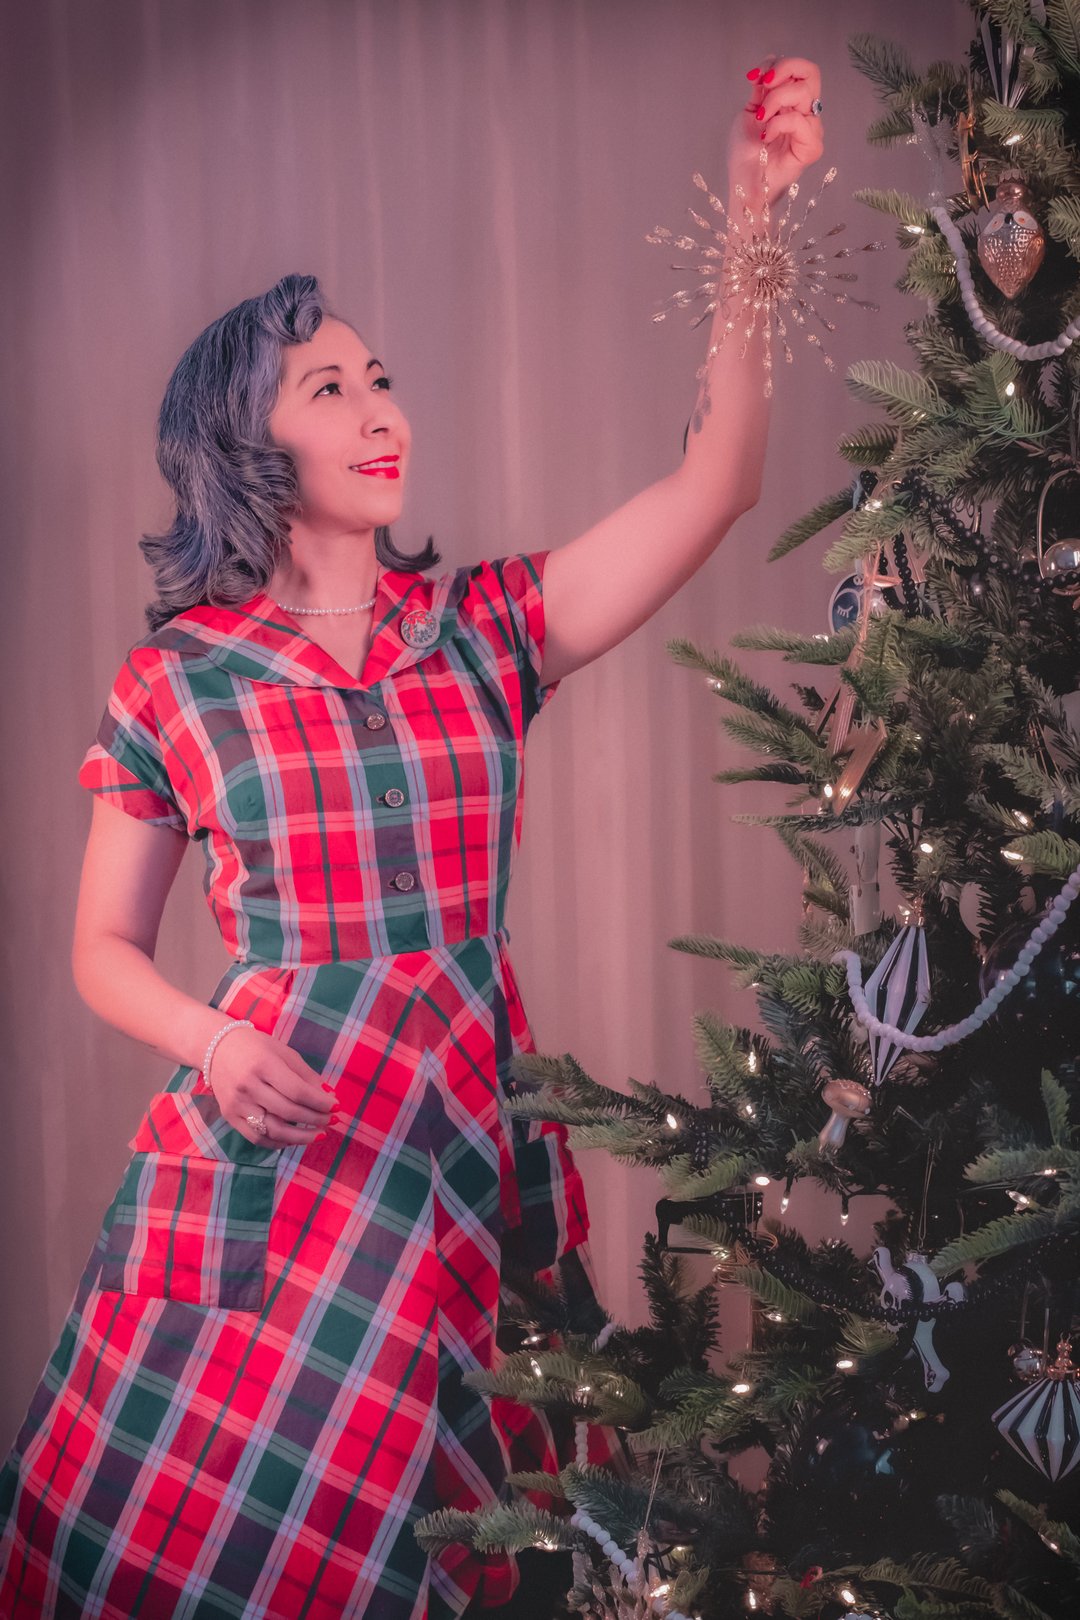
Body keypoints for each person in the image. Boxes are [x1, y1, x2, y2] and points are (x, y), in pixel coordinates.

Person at [0, 55, 823, 1620]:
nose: (382, 411)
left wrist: (753, 221)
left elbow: (721, 480)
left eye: (381, 378)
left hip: (463, 1143)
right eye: (331, 389)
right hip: (281, 1165)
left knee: (480, 1555)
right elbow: (100, 951)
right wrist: (212, 1041)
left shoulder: (486, 630)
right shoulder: (176, 681)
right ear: (246, 441)